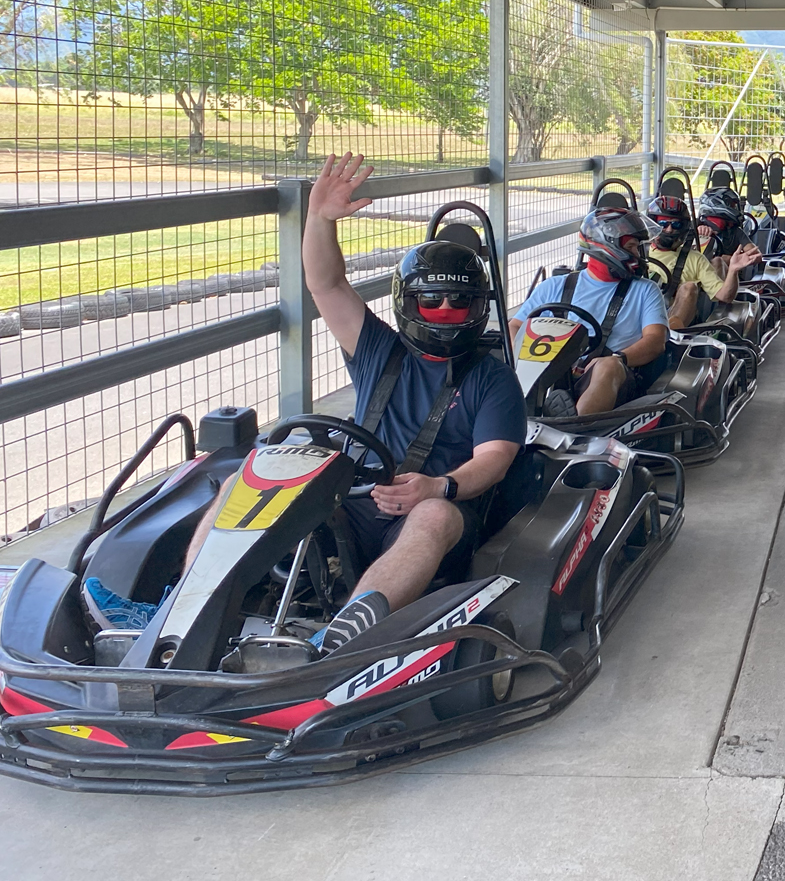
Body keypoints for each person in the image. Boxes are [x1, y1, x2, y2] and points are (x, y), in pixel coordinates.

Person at [88, 154, 530, 650]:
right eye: (431, 301)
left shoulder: (491, 377)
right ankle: (175, 614)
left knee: (435, 517)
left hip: (431, 511)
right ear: (409, 304)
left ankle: (335, 644)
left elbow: (495, 458)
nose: (445, 311)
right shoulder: (379, 349)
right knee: (245, 480)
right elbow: (326, 284)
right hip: (352, 498)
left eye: (459, 302)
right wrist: (319, 218)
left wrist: (438, 487)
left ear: (478, 307)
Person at [510, 207, 670, 415]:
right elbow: (515, 326)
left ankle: (571, 427)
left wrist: (619, 358)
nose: (637, 255)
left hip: (613, 376)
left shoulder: (646, 290)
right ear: (606, 246)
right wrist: (522, 363)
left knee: (608, 367)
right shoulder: (554, 286)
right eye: (631, 247)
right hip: (552, 375)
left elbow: (656, 340)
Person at [644, 192, 760, 330]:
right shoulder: (638, 253)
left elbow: (725, 296)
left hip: (672, 319)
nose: (669, 230)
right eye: (663, 223)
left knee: (689, 287)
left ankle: (667, 334)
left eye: (676, 224)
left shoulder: (696, 258)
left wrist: (733, 270)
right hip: (640, 314)